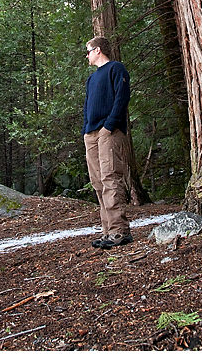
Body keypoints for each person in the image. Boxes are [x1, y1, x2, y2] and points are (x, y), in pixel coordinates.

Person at [82, 37, 133, 249]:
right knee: (98, 182)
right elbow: (87, 106)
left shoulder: (116, 68)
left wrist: (110, 125)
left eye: (88, 51)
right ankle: (107, 231)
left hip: (109, 131)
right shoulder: (91, 79)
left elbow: (122, 97)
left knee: (110, 177)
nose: (87, 55)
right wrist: (86, 129)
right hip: (91, 133)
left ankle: (119, 231)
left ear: (98, 50)